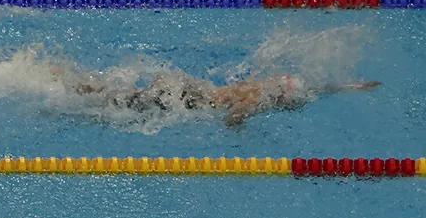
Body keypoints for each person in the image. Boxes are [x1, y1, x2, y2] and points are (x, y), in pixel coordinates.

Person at [52, 66, 380, 126]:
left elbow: (320, 89)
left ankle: (74, 82)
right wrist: (242, 129)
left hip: (187, 89)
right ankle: (66, 85)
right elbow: (233, 116)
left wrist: (354, 87)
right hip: (184, 98)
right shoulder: (262, 97)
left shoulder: (274, 85)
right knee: (111, 105)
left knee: (120, 97)